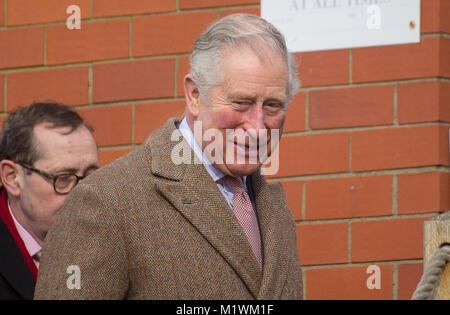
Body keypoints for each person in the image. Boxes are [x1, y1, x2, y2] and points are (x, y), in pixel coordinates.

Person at [34, 14, 303, 299]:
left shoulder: (271, 207)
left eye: (273, 106)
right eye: (241, 102)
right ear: (195, 94)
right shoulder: (106, 202)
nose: (258, 127)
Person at [0, 102, 99, 299]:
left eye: (91, 175)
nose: (81, 193)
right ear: (12, 177)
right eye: (63, 178)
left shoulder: (112, 239)